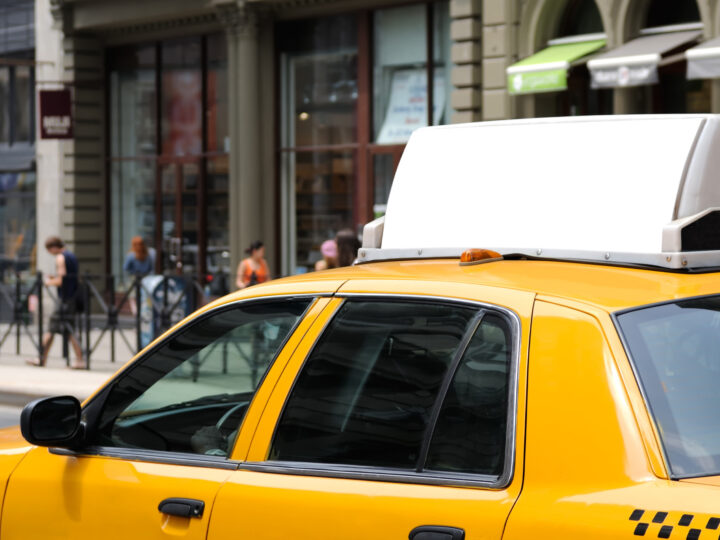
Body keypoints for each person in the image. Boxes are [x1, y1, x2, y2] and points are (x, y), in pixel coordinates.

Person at [27, 236, 84, 368]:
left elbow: (61, 280)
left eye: (49, 250)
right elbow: (69, 277)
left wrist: (49, 282)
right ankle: (79, 359)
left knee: (52, 328)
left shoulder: (60, 257)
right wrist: (56, 277)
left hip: (64, 298)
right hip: (72, 297)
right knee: (68, 330)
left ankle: (41, 358)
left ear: (53, 247)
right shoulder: (71, 256)